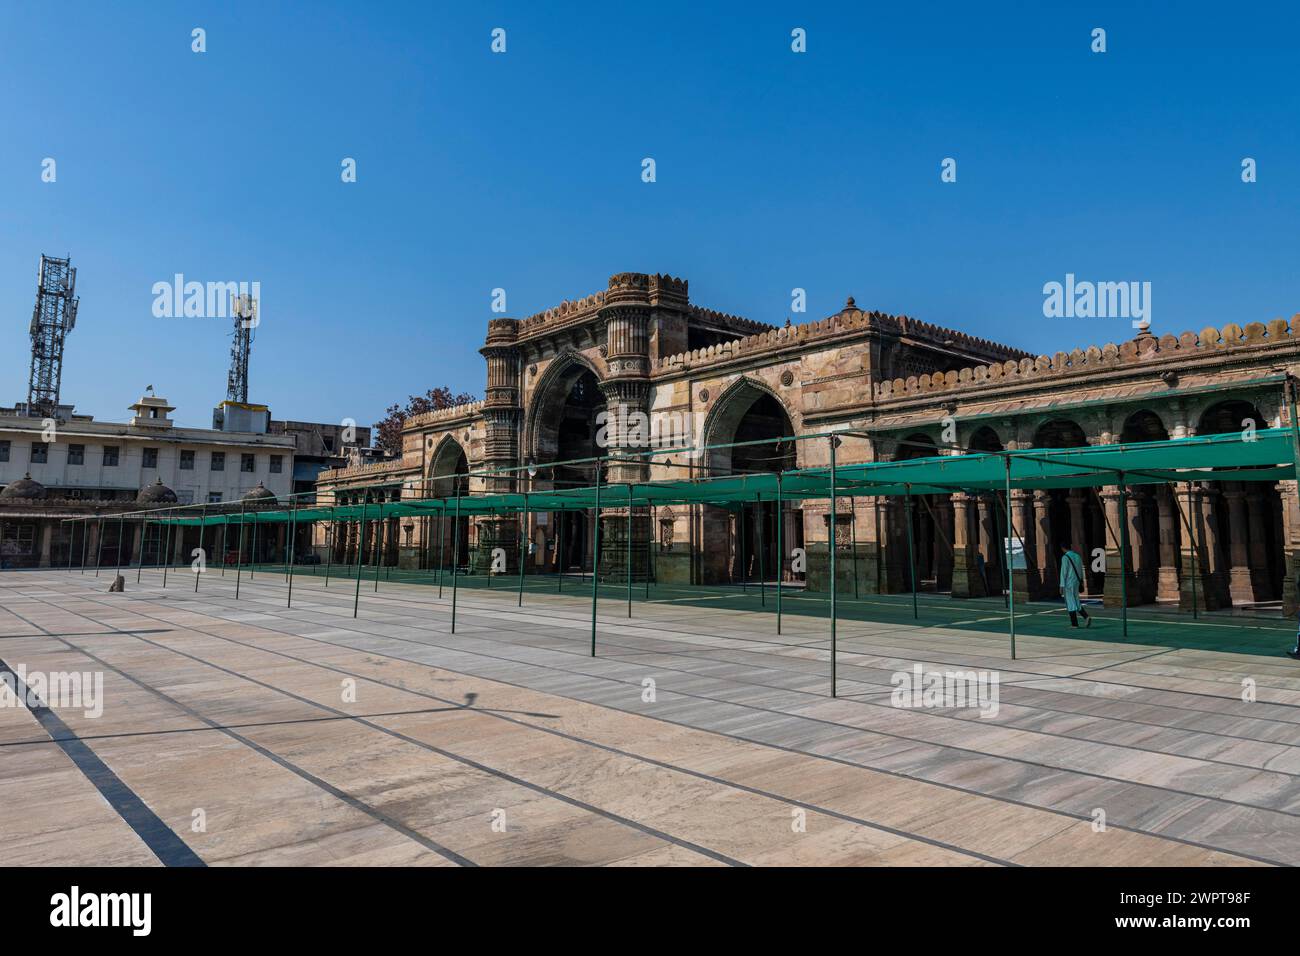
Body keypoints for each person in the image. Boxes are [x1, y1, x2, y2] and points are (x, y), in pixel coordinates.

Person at [1059, 542, 1091, 628]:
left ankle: (1074, 623)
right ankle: (1086, 616)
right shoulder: (1078, 556)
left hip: (1068, 583)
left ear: (1063, 548)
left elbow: (1063, 572)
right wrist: (1081, 581)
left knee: (1070, 602)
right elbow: (1080, 570)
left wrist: (1061, 585)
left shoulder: (1065, 557)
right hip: (1076, 581)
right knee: (1076, 600)